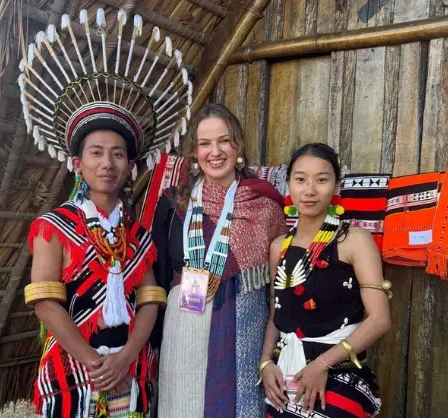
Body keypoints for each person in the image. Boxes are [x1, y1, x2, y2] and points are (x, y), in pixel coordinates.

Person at [18, 8, 192, 417]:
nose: (107, 163)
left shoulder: (139, 236)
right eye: (96, 153)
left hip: (129, 371)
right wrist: (95, 363)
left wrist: (127, 355)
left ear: (131, 167)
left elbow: (151, 299)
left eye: (118, 155)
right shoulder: (54, 227)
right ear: (77, 163)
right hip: (71, 371)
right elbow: (46, 303)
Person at [152, 103, 287, 417]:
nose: (215, 151)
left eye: (223, 141)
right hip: (184, 330)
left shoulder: (265, 205)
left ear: (238, 147)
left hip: (244, 331)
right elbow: (159, 278)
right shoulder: (174, 204)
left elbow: (278, 287)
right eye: (204, 143)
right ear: (195, 153)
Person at [260, 143, 391, 417]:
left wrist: (321, 365)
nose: (309, 190)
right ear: (288, 185)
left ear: (336, 186)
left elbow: (379, 319)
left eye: (321, 179)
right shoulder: (279, 247)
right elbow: (277, 314)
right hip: (285, 376)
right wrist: (265, 363)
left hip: (339, 371)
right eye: (300, 179)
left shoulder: (353, 241)